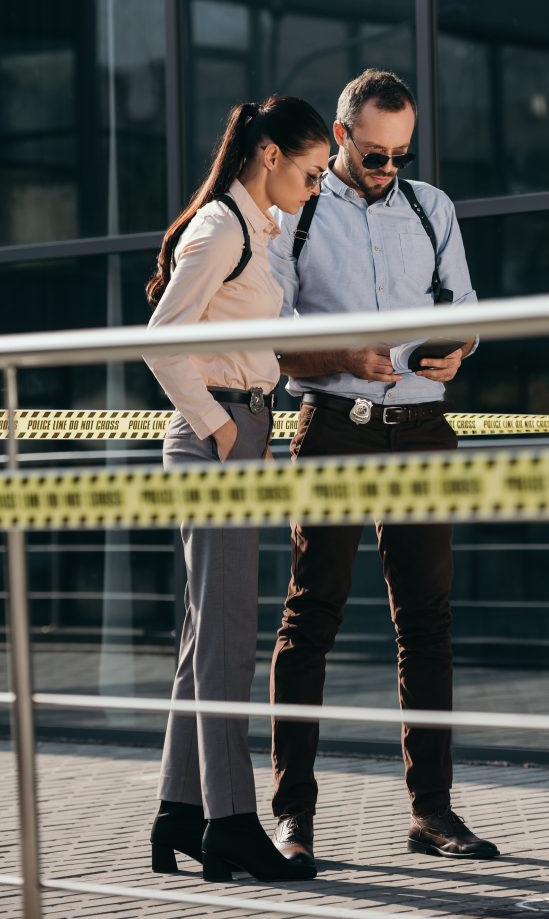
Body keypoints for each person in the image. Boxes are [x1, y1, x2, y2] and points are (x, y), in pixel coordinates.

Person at [268, 69, 499, 869]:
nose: (389, 169)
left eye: (401, 154)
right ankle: (292, 816)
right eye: (375, 154)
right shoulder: (295, 214)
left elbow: (466, 310)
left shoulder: (433, 209)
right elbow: (273, 344)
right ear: (341, 137)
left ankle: (432, 812)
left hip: (423, 428)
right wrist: (344, 356)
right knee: (311, 617)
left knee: (427, 623)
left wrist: (457, 351)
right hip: (334, 427)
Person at [144, 96, 330, 883]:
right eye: (312, 170)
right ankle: (232, 822)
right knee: (227, 645)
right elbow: (161, 337)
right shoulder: (223, 228)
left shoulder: (259, 229)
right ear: (270, 155)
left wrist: (255, 422)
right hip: (217, 439)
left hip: (241, 431)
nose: (317, 185)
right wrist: (223, 428)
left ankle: (179, 813)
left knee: (203, 640)